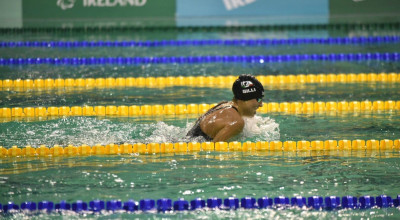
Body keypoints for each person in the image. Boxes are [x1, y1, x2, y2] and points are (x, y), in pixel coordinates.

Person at [187, 74, 264, 142]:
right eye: (259, 99)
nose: (261, 104)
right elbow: (214, 150)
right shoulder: (236, 122)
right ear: (245, 99)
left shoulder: (224, 104)